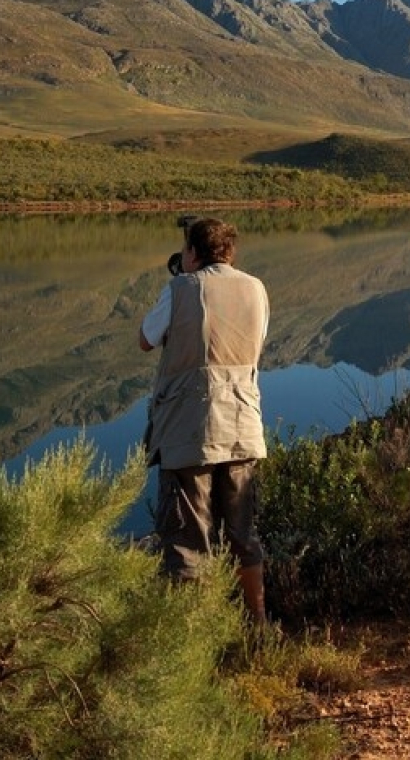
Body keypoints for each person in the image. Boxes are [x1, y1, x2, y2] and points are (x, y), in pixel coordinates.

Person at [137, 216, 270, 624]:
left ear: (192, 252)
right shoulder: (255, 288)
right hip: (242, 426)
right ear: (230, 252)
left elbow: (145, 339)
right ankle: (258, 625)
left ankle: (190, 638)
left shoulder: (179, 289)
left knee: (187, 541)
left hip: (187, 433)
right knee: (243, 535)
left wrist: (182, 283)